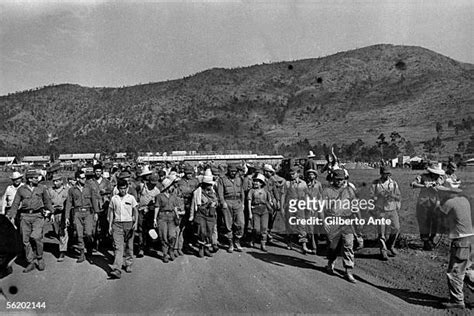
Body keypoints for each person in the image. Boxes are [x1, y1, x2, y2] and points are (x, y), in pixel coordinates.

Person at [435, 182, 473, 309]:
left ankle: (457, 300)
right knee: (467, 269)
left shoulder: (448, 203)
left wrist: (436, 203)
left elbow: (437, 216)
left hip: (461, 241)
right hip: (471, 238)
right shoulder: (464, 200)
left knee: (455, 272)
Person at [9, 170, 54, 273]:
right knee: (25, 240)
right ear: (29, 179)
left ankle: (39, 257)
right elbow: (15, 204)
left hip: (38, 216)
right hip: (24, 216)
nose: (37, 179)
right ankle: (30, 262)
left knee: (36, 236)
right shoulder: (21, 190)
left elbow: (47, 201)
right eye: (35, 177)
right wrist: (11, 216)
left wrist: (51, 213)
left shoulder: (41, 188)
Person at [320, 169, 360, 283]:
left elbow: (355, 207)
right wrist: (324, 222)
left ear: (344, 180)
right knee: (333, 246)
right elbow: (321, 209)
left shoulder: (349, 191)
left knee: (348, 245)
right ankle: (330, 262)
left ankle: (348, 271)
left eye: (341, 180)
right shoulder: (327, 191)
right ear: (333, 179)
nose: (339, 182)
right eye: (336, 179)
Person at [65, 170, 99, 263]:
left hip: (88, 212)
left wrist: (96, 212)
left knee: (89, 233)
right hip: (77, 213)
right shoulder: (72, 190)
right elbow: (68, 203)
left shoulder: (89, 188)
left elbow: (94, 200)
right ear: (77, 179)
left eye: (85, 178)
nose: (85, 179)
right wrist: (67, 217)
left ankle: (89, 248)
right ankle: (82, 253)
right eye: (82, 178)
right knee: (79, 234)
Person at [108, 179, 138, 279]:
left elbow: (135, 211)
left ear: (127, 188)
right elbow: (111, 212)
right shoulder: (114, 199)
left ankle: (129, 263)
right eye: (121, 189)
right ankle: (117, 269)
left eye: (125, 188)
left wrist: (136, 223)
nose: (123, 191)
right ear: (118, 189)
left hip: (129, 224)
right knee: (118, 247)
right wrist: (110, 225)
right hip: (117, 224)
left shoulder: (131, 198)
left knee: (129, 246)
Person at [411, 162, 445, 250]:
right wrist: (424, 186)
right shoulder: (422, 176)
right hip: (423, 203)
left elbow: (442, 189)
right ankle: (426, 242)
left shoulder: (440, 179)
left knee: (435, 223)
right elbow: (413, 184)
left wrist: (436, 187)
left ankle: (431, 239)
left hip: (435, 203)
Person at [370, 166, 401, 261]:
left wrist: (391, 195)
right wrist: (379, 196)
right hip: (381, 210)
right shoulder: (375, 184)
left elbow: (398, 196)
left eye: (388, 174)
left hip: (392, 209)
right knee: (381, 232)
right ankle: (383, 251)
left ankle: (391, 245)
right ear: (381, 173)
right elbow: (371, 197)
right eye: (385, 174)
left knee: (396, 228)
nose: (387, 176)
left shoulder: (393, 184)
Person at [154, 178, 184, 263]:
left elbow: (175, 207)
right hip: (162, 217)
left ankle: (171, 249)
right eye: (171, 186)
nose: (173, 187)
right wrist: (155, 219)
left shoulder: (173, 196)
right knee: (163, 236)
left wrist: (177, 216)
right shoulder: (159, 196)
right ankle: (165, 254)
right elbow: (157, 207)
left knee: (172, 235)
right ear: (167, 187)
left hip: (172, 217)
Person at [217, 163, 245, 253]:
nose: (233, 173)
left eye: (235, 171)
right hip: (227, 202)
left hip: (237, 202)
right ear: (228, 171)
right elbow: (220, 193)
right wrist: (223, 202)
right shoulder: (222, 179)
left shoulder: (239, 179)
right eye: (231, 171)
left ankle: (237, 240)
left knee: (241, 223)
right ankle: (230, 243)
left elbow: (242, 192)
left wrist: (243, 203)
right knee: (228, 224)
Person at [190, 173, 218, 258]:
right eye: (208, 184)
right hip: (201, 213)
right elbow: (193, 204)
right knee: (202, 231)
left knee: (209, 232)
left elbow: (216, 201)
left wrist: (214, 204)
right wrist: (191, 215)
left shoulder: (213, 192)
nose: (210, 186)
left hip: (210, 214)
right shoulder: (198, 192)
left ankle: (207, 248)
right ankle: (201, 248)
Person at [281, 166, 309, 251]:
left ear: (298, 174)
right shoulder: (287, 183)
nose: (291, 175)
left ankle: (304, 245)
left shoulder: (303, 183)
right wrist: (282, 207)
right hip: (290, 206)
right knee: (290, 225)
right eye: (291, 174)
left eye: (293, 174)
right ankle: (289, 242)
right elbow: (283, 195)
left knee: (302, 225)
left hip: (300, 206)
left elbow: (307, 195)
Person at [174, 165, 200, 256]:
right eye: (187, 173)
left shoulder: (196, 181)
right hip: (181, 203)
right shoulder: (180, 181)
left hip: (192, 203)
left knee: (191, 225)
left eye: (190, 173)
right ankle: (178, 246)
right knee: (180, 226)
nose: (189, 175)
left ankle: (188, 243)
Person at [88, 164, 113, 250]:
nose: (98, 173)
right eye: (96, 171)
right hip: (94, 206)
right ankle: (94, 243)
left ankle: (104, 243)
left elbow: (111, 190)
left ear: (101, 172)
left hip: (104, 205)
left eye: (99, 171)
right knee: (94, 226)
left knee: (104, 225)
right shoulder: (90, 182)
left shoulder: (106, 182)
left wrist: (105, 191)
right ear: (94, 172)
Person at [136, 173, 160, 257]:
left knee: (150, 229)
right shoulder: (142, 186)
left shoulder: (157, 191)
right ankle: (141, 248)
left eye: (155, 183)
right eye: (152, 183)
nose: (153, 185)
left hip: (150, 212)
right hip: (141, 211)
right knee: (141, 229)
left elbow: (157, 203)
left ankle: (148, 247)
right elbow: (136, 194)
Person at [247, 174, 273, 251]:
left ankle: (263, 244)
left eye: (258, 181)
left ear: (261, 183)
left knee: (264, 228)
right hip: (255, 209)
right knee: (256, 228)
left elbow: (270, 200)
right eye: (255, 181)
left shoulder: (265, 191)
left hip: (264, 210)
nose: (255, 183)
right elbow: (249, 202)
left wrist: (271, 204)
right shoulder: (251, 191)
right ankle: (253, 238)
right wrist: (250, 213)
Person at [48, 174, 69, 262]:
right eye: (54, 181)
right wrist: (51, 213)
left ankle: (62, 252)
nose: (55, 183)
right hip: (54, 213)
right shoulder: (50, 191)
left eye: (57, 181)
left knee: (63, 231)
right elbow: (48, 203)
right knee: (57, 231)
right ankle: (64, 245)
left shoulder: (67, 190)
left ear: (61, 181)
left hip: (64, 213)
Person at [305, 168, 323, 254]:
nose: (310, 176)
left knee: (317, 228)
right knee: (310, 228)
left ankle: (315, 244)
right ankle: (313, 246)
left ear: (315, 176)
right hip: (308, 207)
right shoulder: (305, 184)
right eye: (309, 174)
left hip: (316, 207)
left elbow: (321, 195)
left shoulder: (318, 184)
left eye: (312, 174)